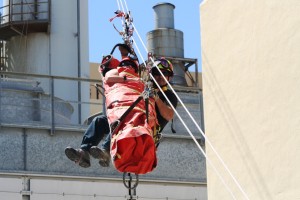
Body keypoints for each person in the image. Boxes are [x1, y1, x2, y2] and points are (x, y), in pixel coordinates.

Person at [65, 54, 178, 168]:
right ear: (152, 74)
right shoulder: (142, 86)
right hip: (132, 120)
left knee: (124, 118)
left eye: (165, 74)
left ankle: (106, 151)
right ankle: (83, 152)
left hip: (145, 130)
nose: (160, 76)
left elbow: (169, 115)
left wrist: (156, 98)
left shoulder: (169, 95)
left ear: (170, 77)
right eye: (157, 73)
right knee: (99, 120)